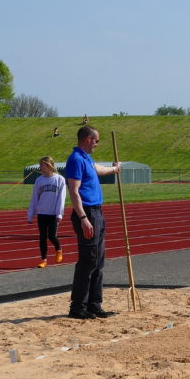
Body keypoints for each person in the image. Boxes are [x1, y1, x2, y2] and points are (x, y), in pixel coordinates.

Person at [64, 125, 121, 320]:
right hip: (87, 213)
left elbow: (98, 169)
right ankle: (77, 306)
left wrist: (114, 169)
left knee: (98, 261)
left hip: (97, 212)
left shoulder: (87, 158)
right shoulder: (76, 159)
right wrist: (83, 218)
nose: (97, 144)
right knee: (88, 262)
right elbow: (74, 191)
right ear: (87, 139)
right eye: (96, 141)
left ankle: (94, 304)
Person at [27, 155, 67, 268]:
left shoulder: (60, 179)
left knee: (52, 236)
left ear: (48, 165)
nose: (40, 167)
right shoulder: (39, 180)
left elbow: (61, 198)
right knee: (42, 237)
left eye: (41, 165)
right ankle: (43, 260)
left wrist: (59, 213)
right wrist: (31, 214)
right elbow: (35, 198)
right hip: (42, 213)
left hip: (53, 214)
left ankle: (58, 249)